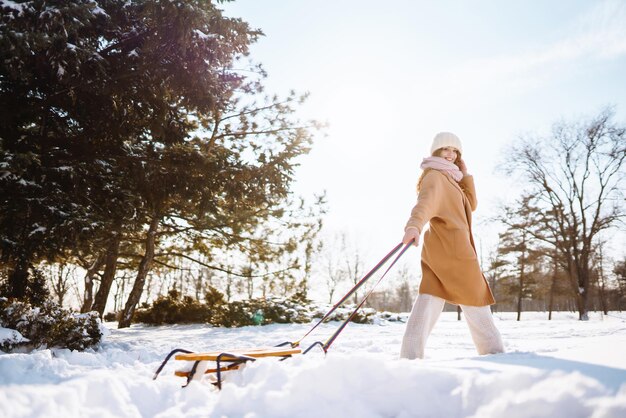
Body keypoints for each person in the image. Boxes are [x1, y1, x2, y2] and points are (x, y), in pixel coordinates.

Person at [400, 132, 504, 359]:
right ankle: (495, 353)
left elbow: (471, 204)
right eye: (446, 149)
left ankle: (409, 358)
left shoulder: (450, 179)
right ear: (436, 151)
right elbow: (424, 203)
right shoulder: (435, 176)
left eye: (455, 151)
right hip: (455, 252)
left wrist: (464, 174)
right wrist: (413, 226)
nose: (451, 154)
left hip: (440, 250)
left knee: (428, 302)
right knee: (476, 298)